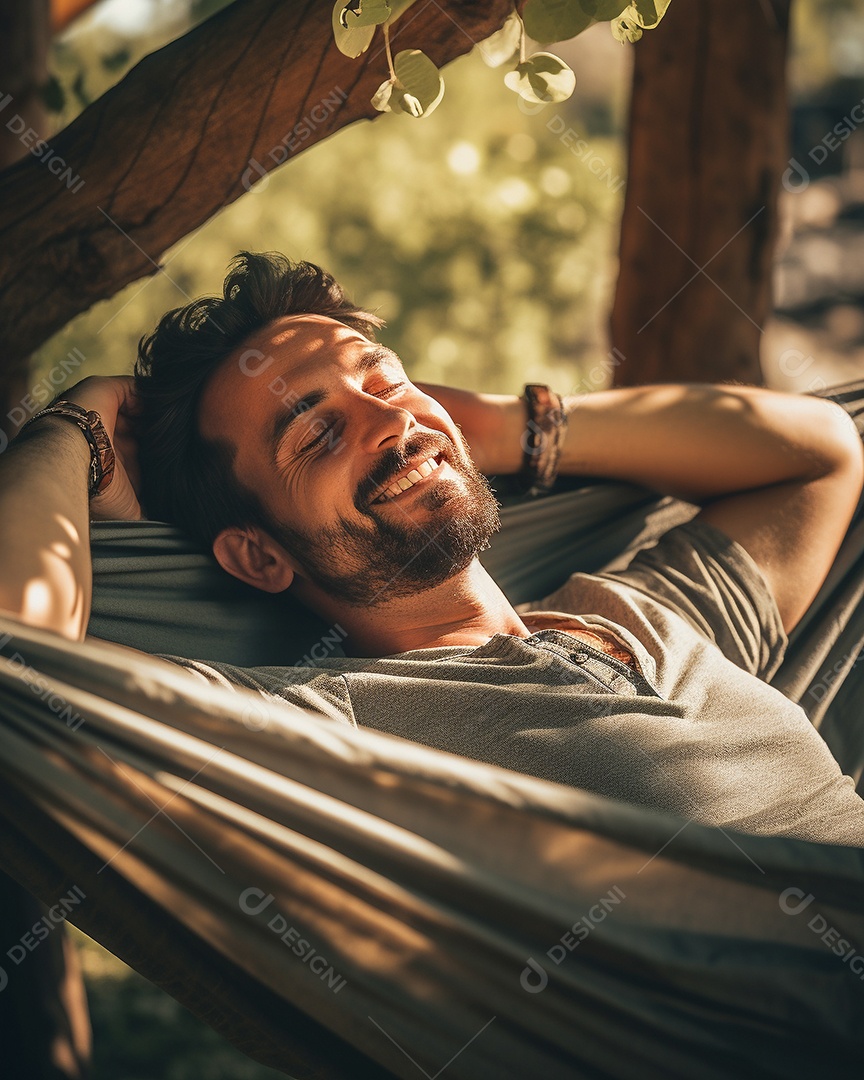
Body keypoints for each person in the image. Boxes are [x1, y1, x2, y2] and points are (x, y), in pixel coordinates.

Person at [2, 251, 863, 846]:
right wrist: (77, 423)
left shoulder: (640, 616)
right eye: (316, 434)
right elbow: (17, 663)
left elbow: (820, 451)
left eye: (386, 382)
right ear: (260, 556)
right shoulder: (320, 735)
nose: (393, 424)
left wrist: (497, 426)